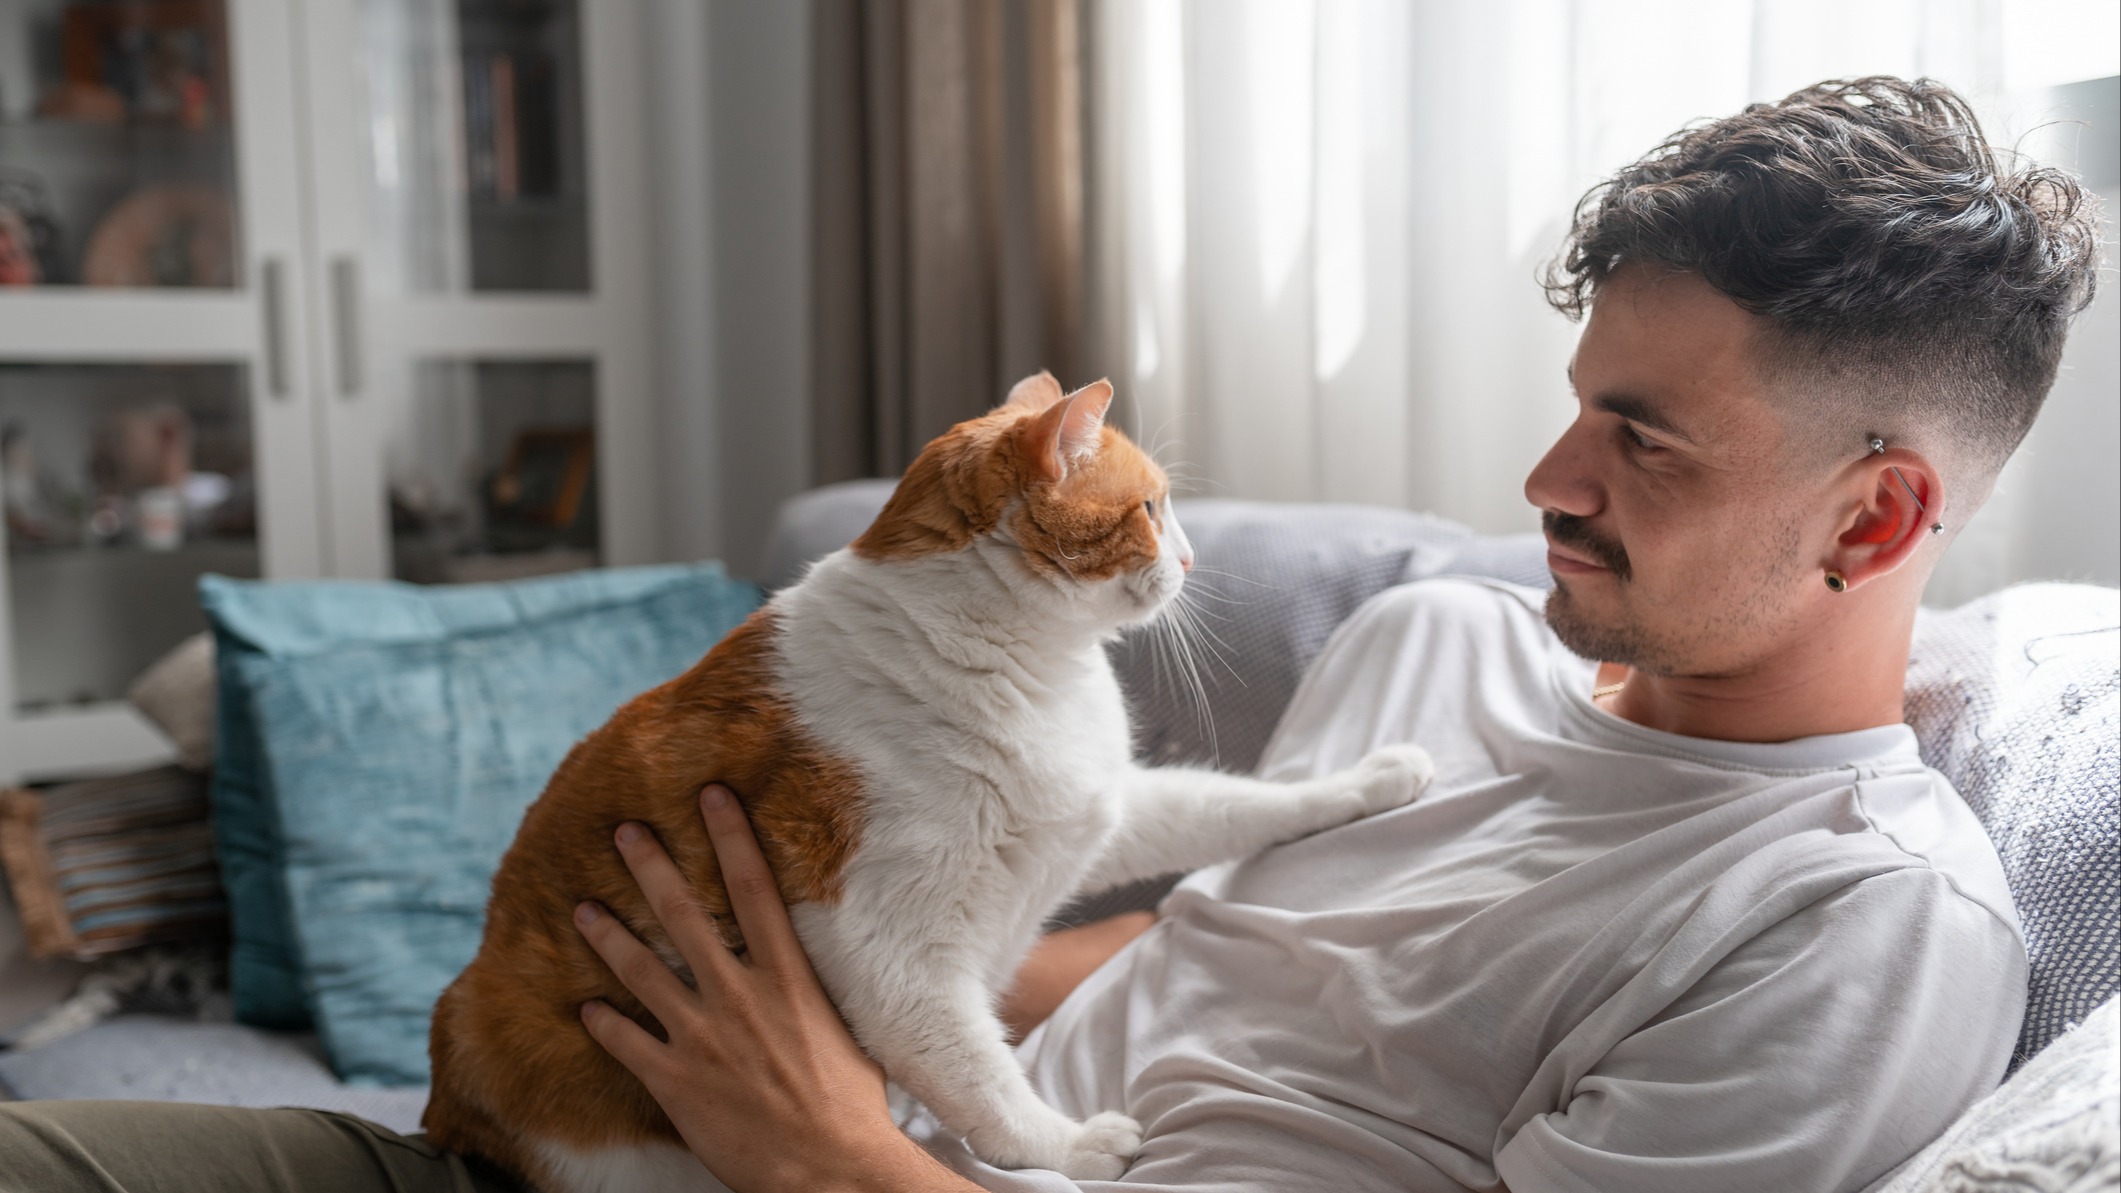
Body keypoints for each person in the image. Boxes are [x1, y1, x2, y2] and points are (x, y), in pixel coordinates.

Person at [0, 76, 2099, 1193]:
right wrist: (755, 982)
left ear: (1878, 515)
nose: (1546, 480)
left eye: (1636, 439)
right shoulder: (1439, 647)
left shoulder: (1844, 929)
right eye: (1571, 402)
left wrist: (833, 1158)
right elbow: (1175, 954)